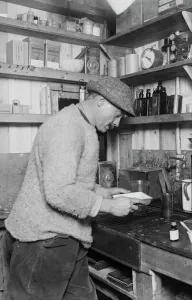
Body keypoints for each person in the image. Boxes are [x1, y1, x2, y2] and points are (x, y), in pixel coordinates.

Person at [4, 76, 140, 300]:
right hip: (43, 241)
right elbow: (59, 191)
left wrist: (100, 191)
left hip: (65, 239)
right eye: (117, 115)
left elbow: (71, 179)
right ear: (100, 101)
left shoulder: (83, 125)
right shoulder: (67, 127)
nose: (117, 123)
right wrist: (109, 206)